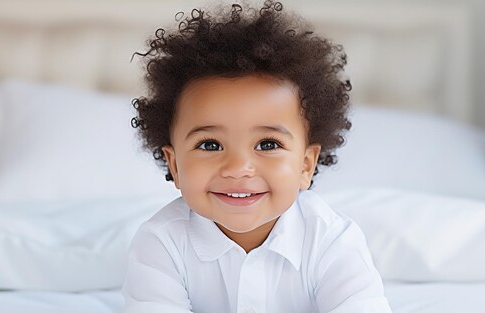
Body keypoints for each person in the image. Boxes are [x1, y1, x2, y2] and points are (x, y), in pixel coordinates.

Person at [122, 1, 393, 312]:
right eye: (210, 145)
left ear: (306, 164)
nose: (238, 168)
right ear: (174, 165)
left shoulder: (331, 240)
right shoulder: (161, 243)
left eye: (267, 144)